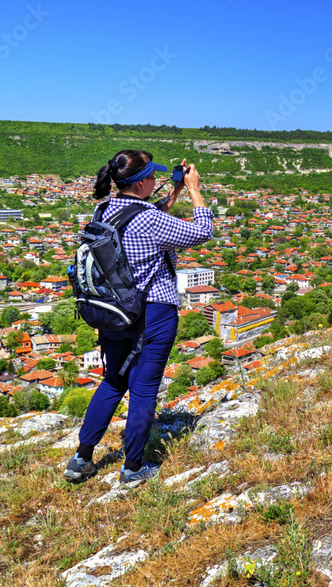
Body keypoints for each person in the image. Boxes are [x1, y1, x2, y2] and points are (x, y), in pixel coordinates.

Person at [63, 149, 212, 487]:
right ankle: (133, 468)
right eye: (154, 177)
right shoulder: (148, 219)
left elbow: (141, 224)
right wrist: (193, 189)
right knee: (143, 388)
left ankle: (81, 458)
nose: (157, 181)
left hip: (114, 312)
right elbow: (202, 231)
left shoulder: (106, 209)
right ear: (144, 182)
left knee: (114, 381)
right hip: (152, 312)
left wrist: (170, 195)